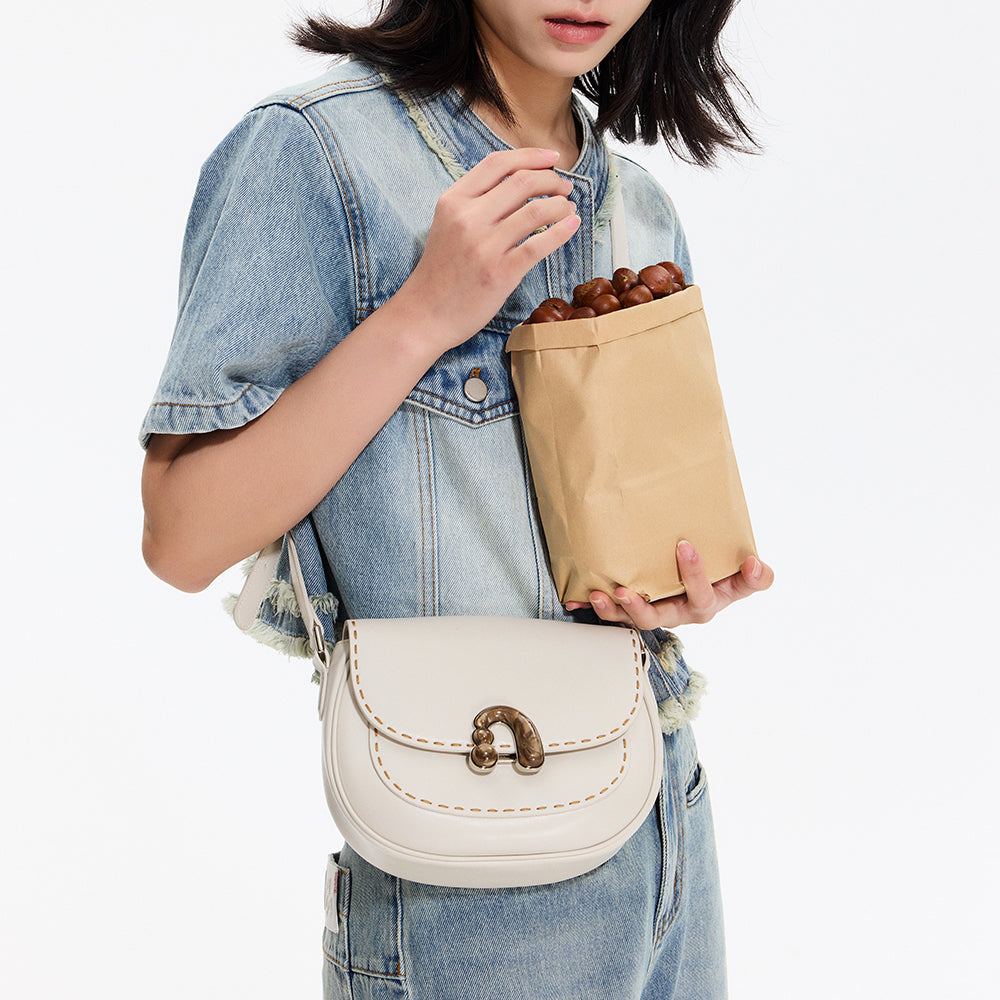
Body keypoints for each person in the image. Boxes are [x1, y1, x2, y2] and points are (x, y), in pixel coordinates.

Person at [140, 1, 773, 996]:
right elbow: (181, 536)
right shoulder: (316, 156)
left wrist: (662, 586)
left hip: (662, 813)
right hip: (471, 853)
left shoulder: (634, 203)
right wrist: (423, 315)